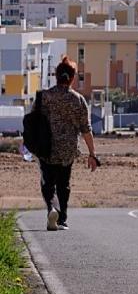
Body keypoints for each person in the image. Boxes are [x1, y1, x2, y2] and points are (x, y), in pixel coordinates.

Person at [39, 58, 100, 231]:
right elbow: (86, 129)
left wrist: (30, 144)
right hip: (68, 148)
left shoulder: (45, 96)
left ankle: (51, 208)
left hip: (47, 148)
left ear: (56, 76)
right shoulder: (78, 100)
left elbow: (33, 123)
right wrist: (92, 154)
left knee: (47, 182)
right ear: (72, 78)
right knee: (63, 183)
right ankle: (62, 219)